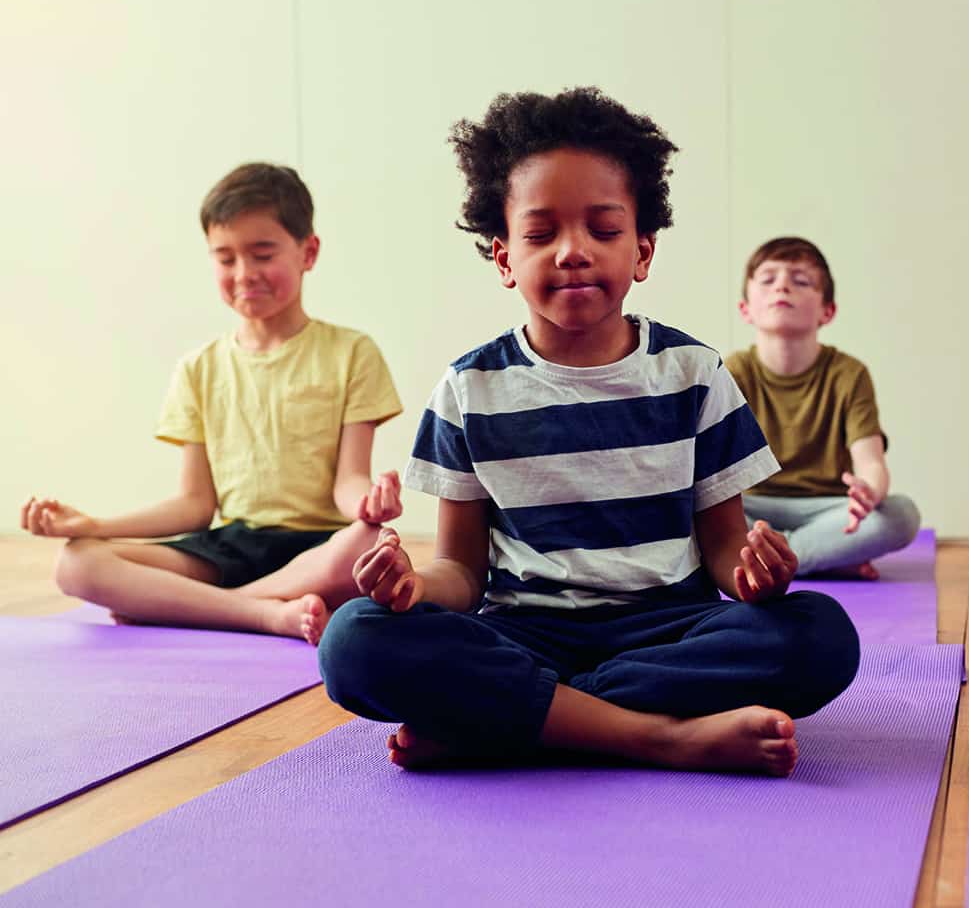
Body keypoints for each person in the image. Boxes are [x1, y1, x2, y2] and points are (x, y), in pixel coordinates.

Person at [317, 88, 860, 776]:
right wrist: (412, 590)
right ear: (504, 258)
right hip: (527, 633)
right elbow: (460, 569)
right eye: (542, 234)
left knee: (820, 636)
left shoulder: (692, 375)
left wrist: (755, 578)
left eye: (602, 231)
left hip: (670, 630)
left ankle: (515, 723)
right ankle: (660, 737)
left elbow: (723, 545)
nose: (573, 252)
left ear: (642, 251)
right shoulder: (468, 390)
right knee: (354, 643)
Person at [19, 163, 403, 643]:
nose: (245, 274)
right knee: (76, 561)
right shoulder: (197, 369)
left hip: (318, 549)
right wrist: (94, 524)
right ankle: (264, 614)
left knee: (371, 542)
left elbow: (349, 481)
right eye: (225, 259)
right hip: (230, 547)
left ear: (309, 252)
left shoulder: (352, 352)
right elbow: (195, 505)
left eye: (262, 254)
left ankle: (189, 608)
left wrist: (367, 504)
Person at [728, 237, 920, 579]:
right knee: (686, 509)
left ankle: (777, 559)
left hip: (828, 508)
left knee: (901, 515)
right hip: (752, 508)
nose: (783, 286)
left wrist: (869, 492)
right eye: (769, 279)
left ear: (827, 311)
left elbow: (871, 462)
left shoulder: (849, 374)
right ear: (746, 309)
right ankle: (822, 558)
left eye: (800, 280)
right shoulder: (732, 372)